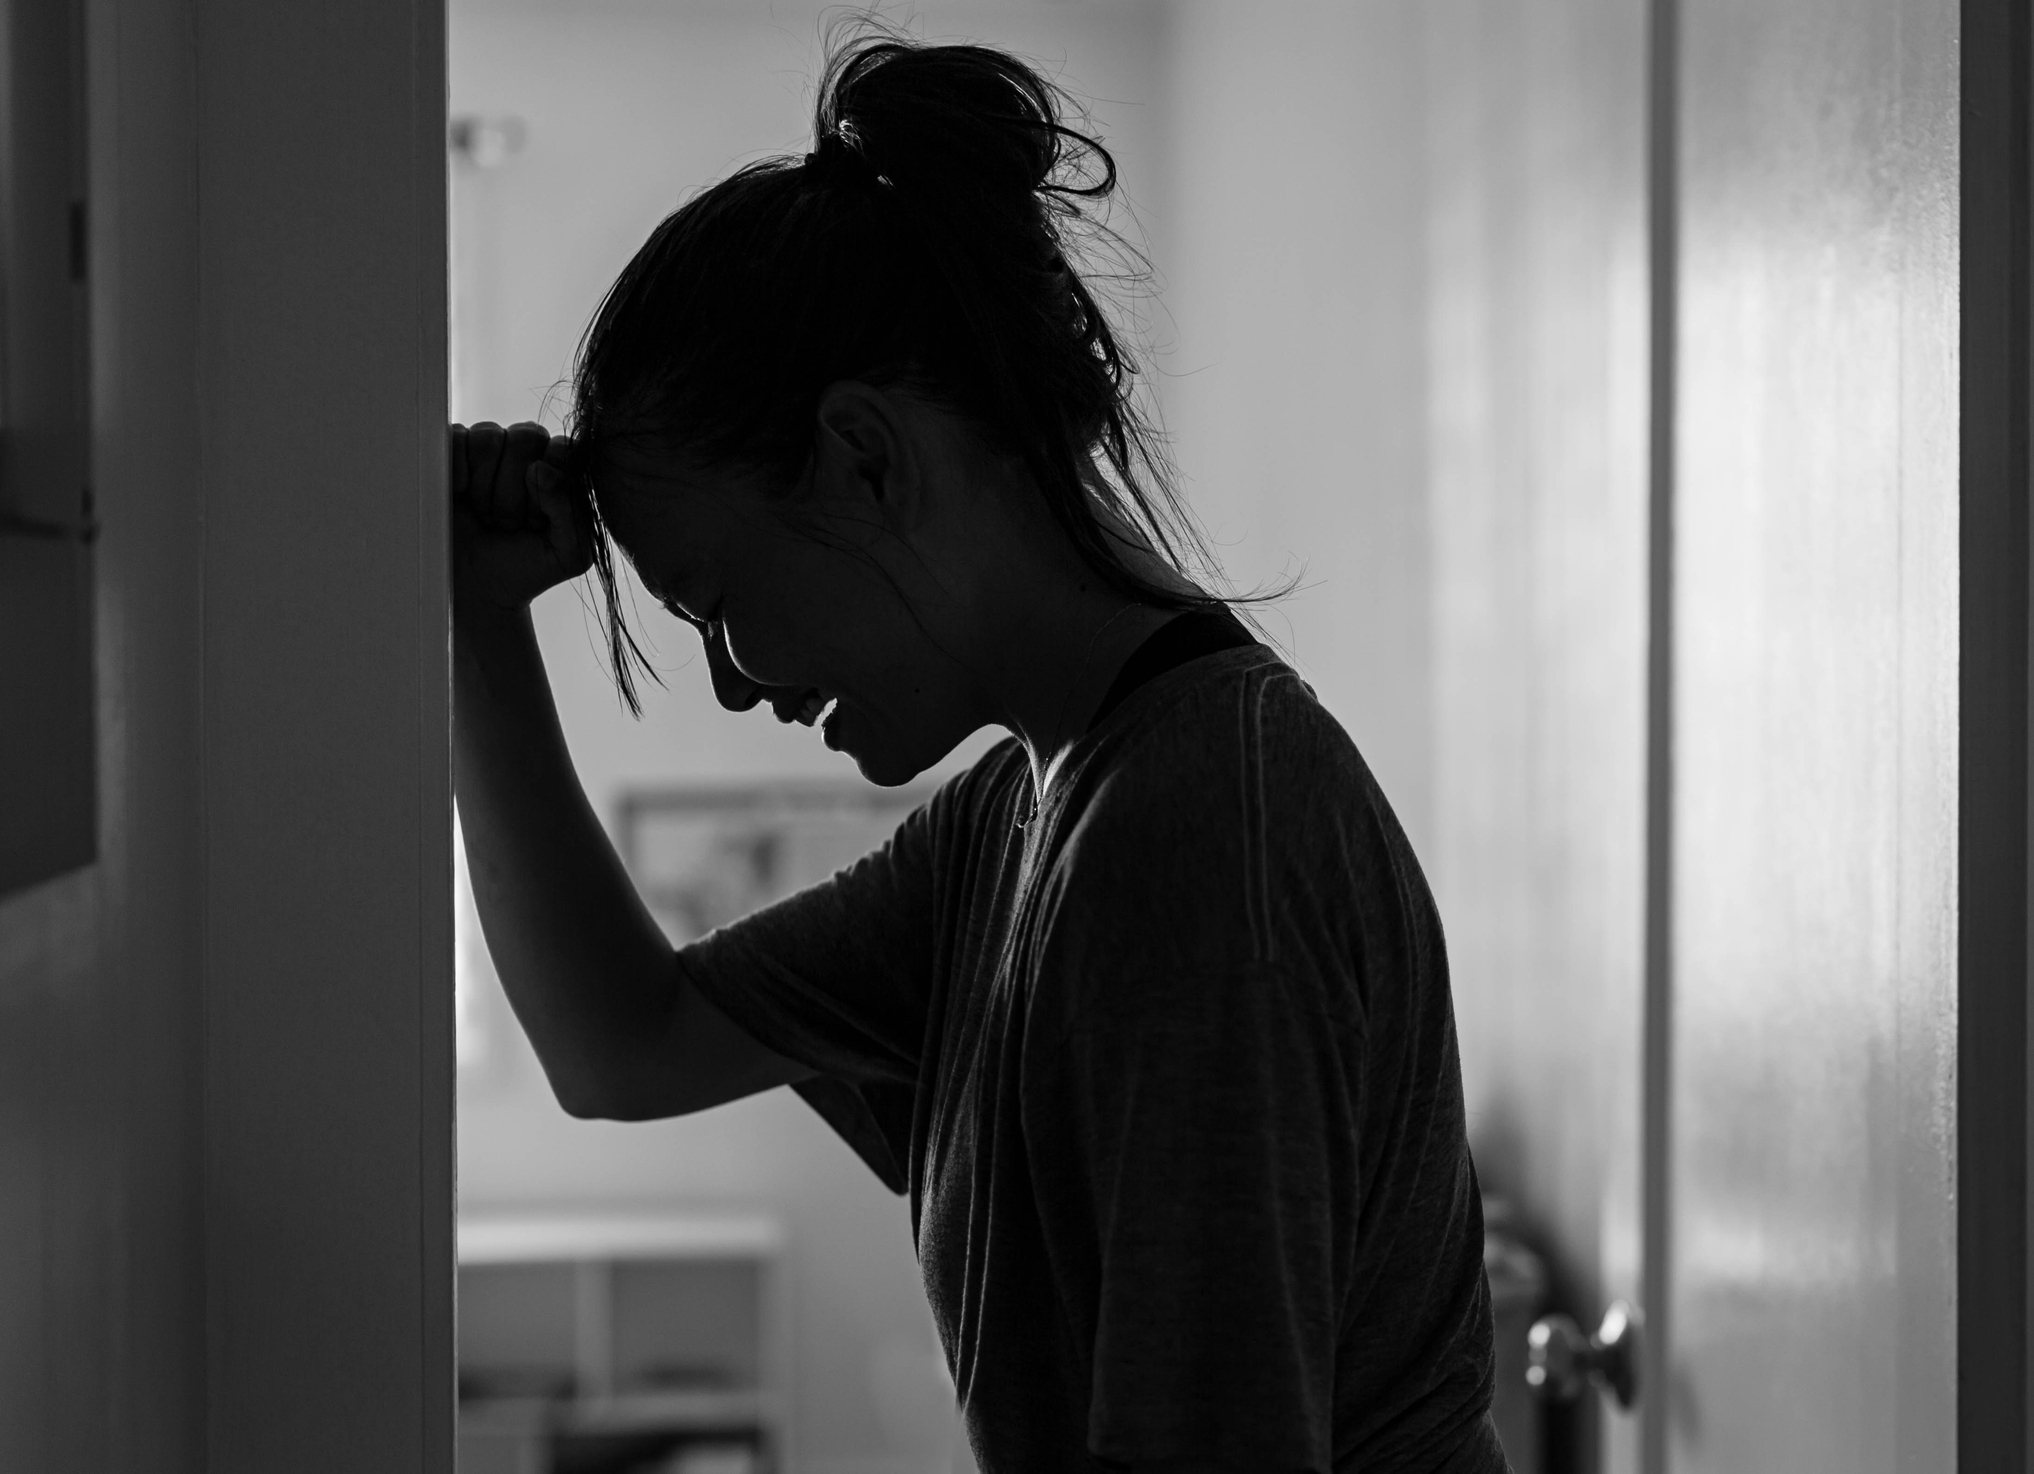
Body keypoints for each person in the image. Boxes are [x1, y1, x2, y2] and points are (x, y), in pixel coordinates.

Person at [451, 28, 1504, 1474]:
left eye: (717, 604)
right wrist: (478, 618)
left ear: (867, 457)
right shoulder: (1016, 821)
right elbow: (621, 1045)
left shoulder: (1196, 830)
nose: (734, 687)